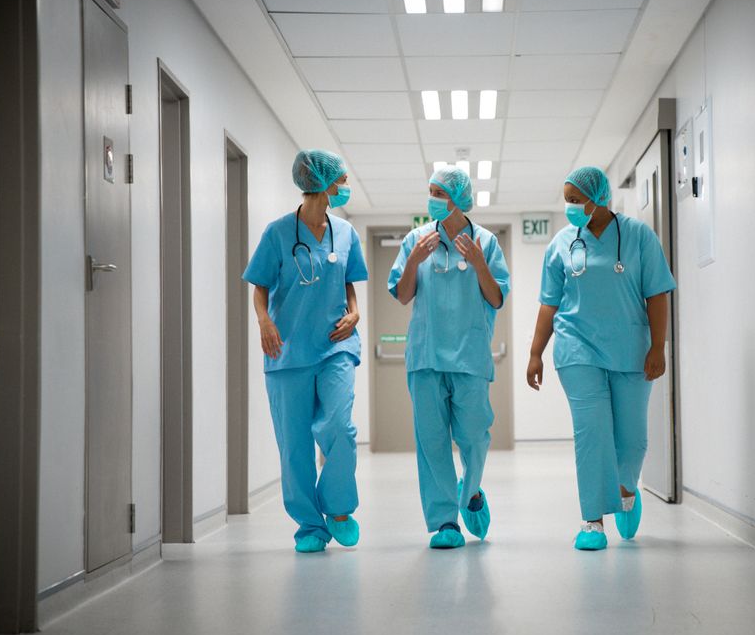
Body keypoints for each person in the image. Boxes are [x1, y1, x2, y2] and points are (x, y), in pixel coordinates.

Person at [526, 166, 676, 551]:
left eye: (576, 200)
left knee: (632, 441)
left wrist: (658, 346)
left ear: (599, 198)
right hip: (577, 350)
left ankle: (626, 489)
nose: (570, 208)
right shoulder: (561, 243)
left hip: (631, 349)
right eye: (567, 200)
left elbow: (657, 294)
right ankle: (592, 521)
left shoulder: (639, 236)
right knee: (591, 434)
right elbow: (548, 303)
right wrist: (535, 353)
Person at [243, 149, 368, 553]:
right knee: (294, 446)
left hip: (336, 346)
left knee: (339, 427)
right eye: (342, 179)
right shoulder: (278, 233)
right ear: (324, 183)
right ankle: (310, 527)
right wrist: (264, 321)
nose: (345, 185)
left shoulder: (345, 232)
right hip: (288, 352)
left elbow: (349, 282)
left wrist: (355, 312)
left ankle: (339, 506)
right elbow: (260, 286)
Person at [388, 166, 510, 549]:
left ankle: (471, 491)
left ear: (458, 198)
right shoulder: (415, 240)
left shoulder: (486, 242)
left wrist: (478, 263)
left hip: (470, 356)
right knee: (432, 442)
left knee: (475, 435)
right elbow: (403, 294)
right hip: (425, 357)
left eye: (438, 192)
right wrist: (412, 261)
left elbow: (496, 298)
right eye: (430, 192)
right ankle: (445, 523)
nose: (432, 199)